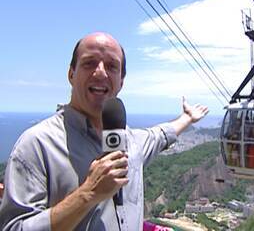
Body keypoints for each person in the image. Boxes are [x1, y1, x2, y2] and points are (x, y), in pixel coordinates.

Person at [0, 32, 208, 231]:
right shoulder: (36, 144)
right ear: (71, 74)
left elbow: (160, 135)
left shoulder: (132, 141)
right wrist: (88, 193)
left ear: (121, 81)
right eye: (89, 63)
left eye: (111, 66)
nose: (100, 72)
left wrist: (188, 118)